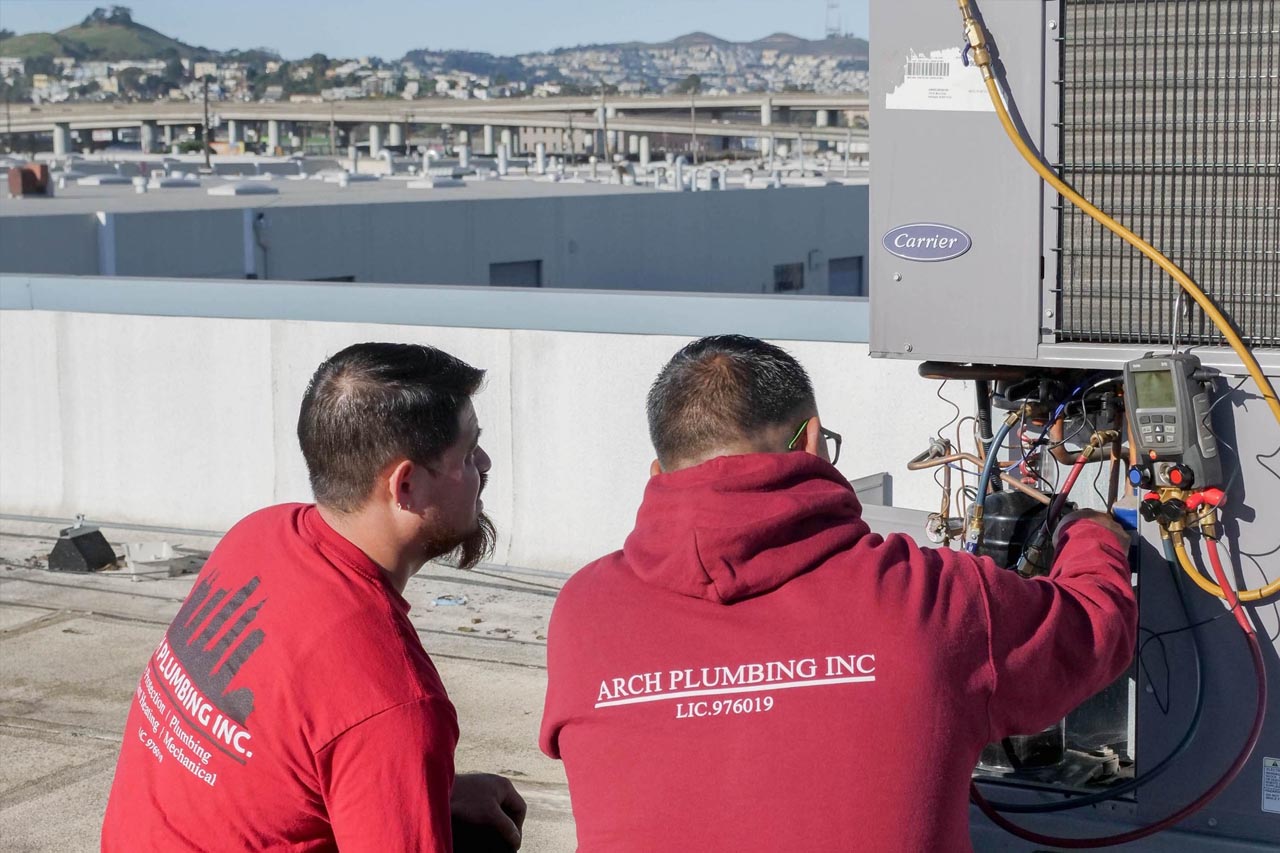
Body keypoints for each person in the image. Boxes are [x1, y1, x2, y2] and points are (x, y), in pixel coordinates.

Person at [539, 334, 1135, 852]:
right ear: (814, 442)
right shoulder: (935, 600)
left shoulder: (582, 613)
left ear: (658, 472)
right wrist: (1092, 536)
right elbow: (1094, 628)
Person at [103, 342, 526, 852]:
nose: (484, 463)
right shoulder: (391, 702)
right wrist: (403, 769)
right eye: (468, 451)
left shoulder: (256, 537)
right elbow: (355, 716)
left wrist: (427, 790)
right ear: (406, 485)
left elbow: (276, 755)